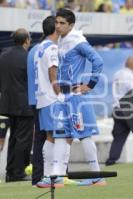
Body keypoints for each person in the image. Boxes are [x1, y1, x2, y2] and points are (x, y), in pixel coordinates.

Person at [53, 8, 106, 186]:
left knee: (84, 135)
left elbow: (98, 61)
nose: (58, 26)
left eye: (62, 23)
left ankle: (97, 176)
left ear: (71, 25)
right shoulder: (61, 40)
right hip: (63, 96)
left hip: (75, 97)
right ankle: (58, 176)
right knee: (62, 135)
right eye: (57, 22)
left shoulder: (78, 41)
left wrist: (89, 85)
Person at [33, 16, 64, 188]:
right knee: (58, 136)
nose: (60, 27)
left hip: (42, 98)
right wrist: (60, 95)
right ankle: (53, 175)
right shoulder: (52, 47)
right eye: (58, 24)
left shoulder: (39, 47)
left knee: (50, 137)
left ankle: (48, 176)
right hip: (52, 98)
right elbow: (53, 73)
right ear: (55, 29)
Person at [0, 28, 34, 182]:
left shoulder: (3, 55)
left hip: (7, 103)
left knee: (13, 138)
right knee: (22, 140)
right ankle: (18, 172)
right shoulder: (28, 57)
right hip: (24, 105)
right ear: (27, 40)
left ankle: (10, 171)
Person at [105, 56, 133, 166]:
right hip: (128, 110)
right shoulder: (131, 77)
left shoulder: (117, 74)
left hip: (117, 109)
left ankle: (111, 159)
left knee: (118, 136)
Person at [27, 37, 45, 185]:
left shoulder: (32, 50)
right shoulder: (48, 49)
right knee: (55, 137)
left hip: (34, 99)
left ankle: (37, 177)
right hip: (45, 99)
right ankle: (57, 174)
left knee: (39, 139)